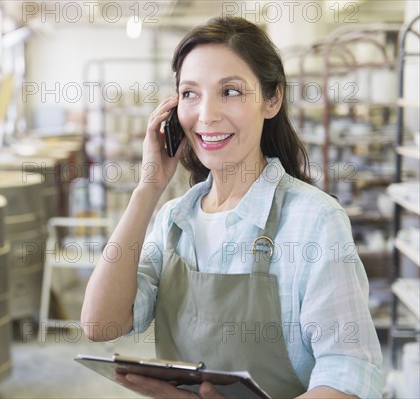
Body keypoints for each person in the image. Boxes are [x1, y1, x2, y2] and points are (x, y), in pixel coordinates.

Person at [81, 16, 383, 399]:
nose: (206, 115)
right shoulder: (174, 220)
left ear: (272, 99)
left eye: (231, 91)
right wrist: (147, 189)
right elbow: (100, 324)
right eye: (190, 93)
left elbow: (350, 371)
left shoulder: (314, 220)